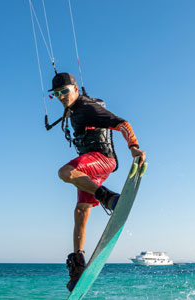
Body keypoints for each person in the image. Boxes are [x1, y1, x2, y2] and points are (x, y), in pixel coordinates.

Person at [49, 73, 145, 291]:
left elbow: (122, 123)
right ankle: (78, 265)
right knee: (81, 210)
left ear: (75, 89)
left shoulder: (88, 108)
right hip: (89, 167)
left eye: (65, 91)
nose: (62, 96)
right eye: (57, 94)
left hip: (102, 160)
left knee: (65, 172)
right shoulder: (72, 108)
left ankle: (108, 197)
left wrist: (133, 147)